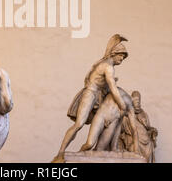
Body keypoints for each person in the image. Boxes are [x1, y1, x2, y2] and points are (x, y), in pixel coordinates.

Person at [52, 34, 129, 163]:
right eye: (121, 55)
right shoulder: (108, 67)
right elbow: (113, 89)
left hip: (97, 97)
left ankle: (86, 154)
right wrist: (123, 105)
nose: (122, 58)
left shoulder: (106, 64)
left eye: (123, 56)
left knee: (94, 134)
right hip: (91, 94)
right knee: (79, 124)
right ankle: (60, 153)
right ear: (114, 53)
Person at [119, 91, 158, 162]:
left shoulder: (144, 114)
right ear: (132, 100)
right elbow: (120, 130)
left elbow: (148, 127)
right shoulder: (127, 115)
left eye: (138, 100)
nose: (137, 102)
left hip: (147, 142)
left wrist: (152, 131)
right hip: (133, 141)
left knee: (149, 151)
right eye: (135, 100)